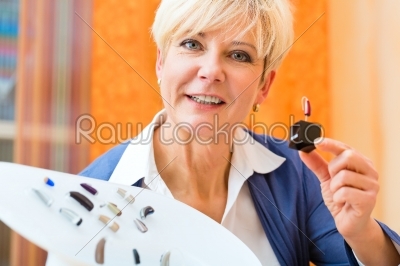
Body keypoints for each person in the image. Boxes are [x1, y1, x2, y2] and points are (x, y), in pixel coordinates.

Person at [75, 0, 400, 265]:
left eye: (239, 55)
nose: (212, 70)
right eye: (192, 44)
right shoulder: (90, 195)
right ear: (161, 63)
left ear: (264, 85)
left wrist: (362, 233)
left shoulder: (297, 176)